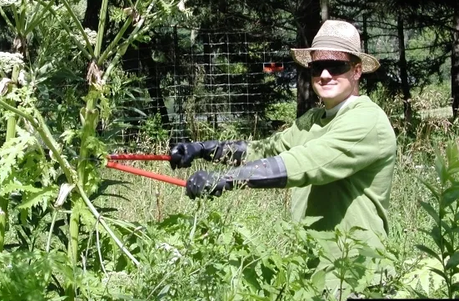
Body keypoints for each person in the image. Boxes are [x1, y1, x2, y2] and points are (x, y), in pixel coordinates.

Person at [170, 19, 397, 257]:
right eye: (318, 67)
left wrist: (225, 179)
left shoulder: (367, 121)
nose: (325, 75)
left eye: (336, 66)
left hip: (356, 271)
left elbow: (307, 162)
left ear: (357, 70)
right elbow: (266, 149)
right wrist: (204, 149)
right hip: (311, 266)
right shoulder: (312, 119)